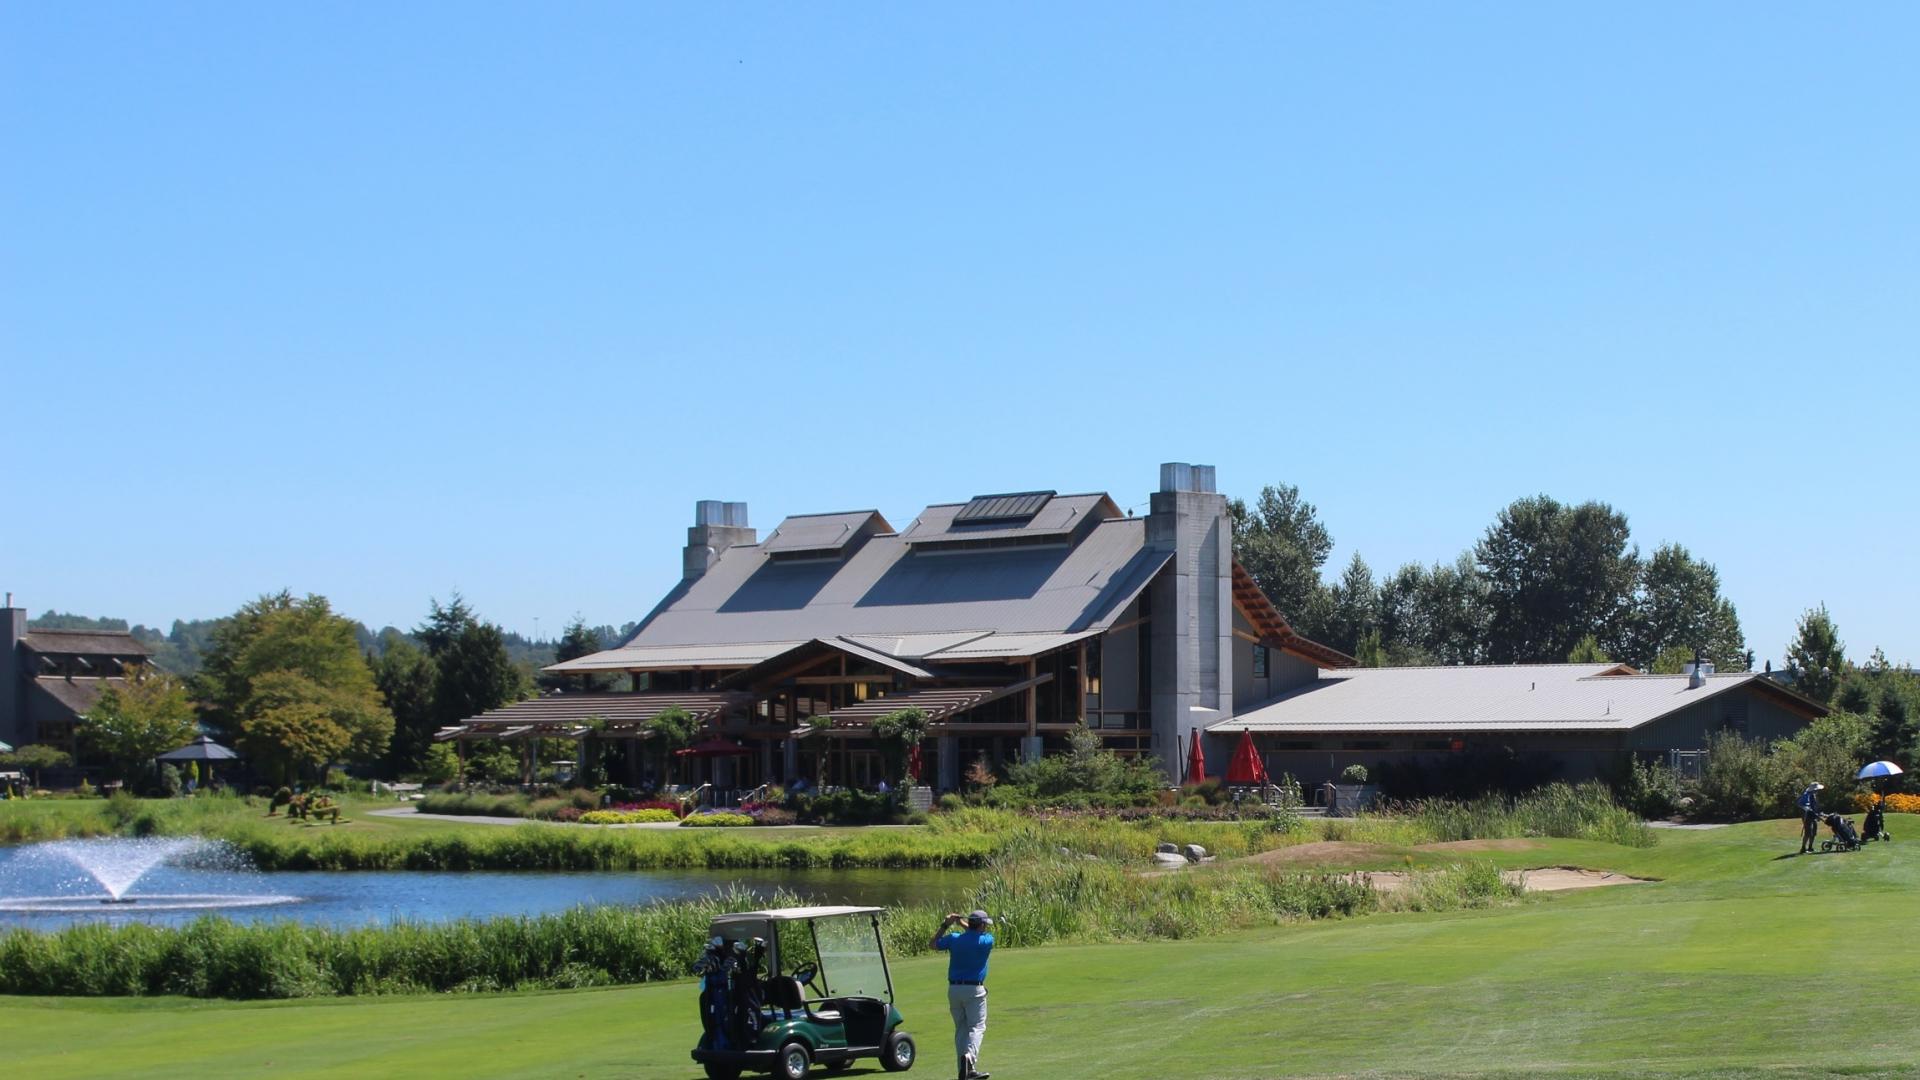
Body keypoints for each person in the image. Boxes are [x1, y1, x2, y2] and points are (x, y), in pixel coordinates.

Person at [931, 910, 995, 1080]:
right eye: (984, 924)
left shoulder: (954, 939)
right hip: (974, 991)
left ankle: (965, 1071)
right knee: (977, 1027)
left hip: (954, 990)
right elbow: (975, 934)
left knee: (962, 1029)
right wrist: (961, 923)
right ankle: (969, 1059)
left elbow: (933, 944)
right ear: (981, 925)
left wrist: (946, 924)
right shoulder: (987, 941)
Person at [1799, 782, 1825, 854]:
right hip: (1807, 815)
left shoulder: (1813, 795)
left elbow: (1815, 806)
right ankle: (1803, 848)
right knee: (1808, 832)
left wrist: (1818, 814)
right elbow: (1800, 804)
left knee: (1813, 832)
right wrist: (1806, 808)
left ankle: (1810, 847)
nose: (1817, 791)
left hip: (1813, 815)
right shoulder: (1806, 795)